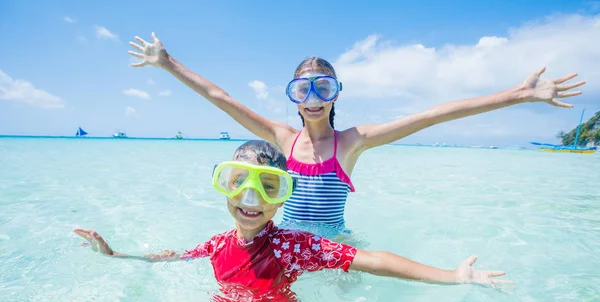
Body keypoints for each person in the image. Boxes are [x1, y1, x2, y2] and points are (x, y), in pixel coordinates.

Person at [74, 140, 511, 302]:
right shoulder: (216, 243)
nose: (250, 198)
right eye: (238, 183)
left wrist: (454, 276)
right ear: (224, 187)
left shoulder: (291, 246)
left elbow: (373, 261)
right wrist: (115, 257)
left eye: (267, 187)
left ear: (283, 195)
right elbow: (170, 257)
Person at [127, 33, 585, 232]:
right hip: (283, 242)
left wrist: (517, 95)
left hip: (336, 248)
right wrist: (168, 64)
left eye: (322, 86)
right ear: (292, 95)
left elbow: (434, 114)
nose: (312, 96)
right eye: (302, 87)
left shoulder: (352, 142)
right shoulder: (281, 138)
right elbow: (220, 97)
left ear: (334, 94)